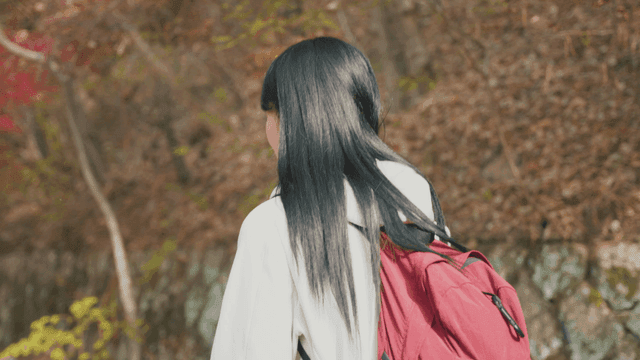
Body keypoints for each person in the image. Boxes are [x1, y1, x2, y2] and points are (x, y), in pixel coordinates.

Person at [209, 36, 452, 360]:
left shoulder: (274, 225)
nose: (267, 129)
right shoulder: (417, 198)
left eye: (271, 114)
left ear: (295, 121)